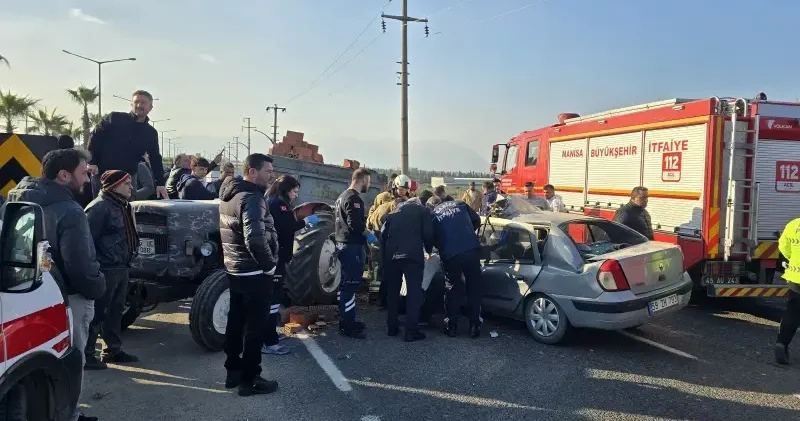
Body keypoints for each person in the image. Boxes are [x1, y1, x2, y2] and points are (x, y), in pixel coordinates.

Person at [7, 148, 106, 421]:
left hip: (26, 296)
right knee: (72, 360)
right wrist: (99, 287)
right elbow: (81, 266)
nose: (87, 179)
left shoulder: (16, 198)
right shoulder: (70, 211)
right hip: (70, 299)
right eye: (83, 173)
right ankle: (70, 415)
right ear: (64, 175)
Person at [218, 153, 279, 396]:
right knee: (255, 327)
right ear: (252, 171)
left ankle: (232, 372)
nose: (271, 176)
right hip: (254, 272)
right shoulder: (252, 198)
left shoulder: (229, 195)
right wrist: (269, 266)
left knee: (235, 321)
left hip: (235, 269)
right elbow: (254, 238)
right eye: (268, 171)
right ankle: (250, 379)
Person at [84, 170, 140, 369]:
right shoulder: (99, 208)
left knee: (115, 312)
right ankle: (87, 355)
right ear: (114, 186)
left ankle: (113, 350)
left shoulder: (123, 205)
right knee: (98, 313)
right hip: (106, 269)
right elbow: (87, 242)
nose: (131, 187)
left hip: (121, 267)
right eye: (127, 184)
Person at [262, 175, 319, 355]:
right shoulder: (279, 204)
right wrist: (306, 221)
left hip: (276, 256)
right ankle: (268, 341)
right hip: (276, 257)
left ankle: (270, 334)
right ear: (286, 190)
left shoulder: (273, 201)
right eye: (294, 191)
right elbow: (286, 227)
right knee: (272, 300)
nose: (296, 195)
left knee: (274, 299)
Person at [86, 90, 168, 200]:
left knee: (127, 207)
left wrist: (160, 183)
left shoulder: (150, 133)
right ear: (131, 104)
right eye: (136, 102)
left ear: (150, 107)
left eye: (143, 103)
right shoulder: (114, 118)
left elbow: (155, 157)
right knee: (101, 205)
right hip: (104, 174)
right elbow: (95, 137)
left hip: (128, 177)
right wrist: (92, 162)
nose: (139, 105)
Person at [380, 197, 434, 342]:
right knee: (414, 292)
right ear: (418, 204)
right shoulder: (423, 211)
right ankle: (411, 331)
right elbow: (428, 233)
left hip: (392, 255)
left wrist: (384, 259)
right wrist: (428, 250)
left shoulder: (392, 213)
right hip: (412, 256)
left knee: (393, 291)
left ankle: (392, 327)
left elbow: (383, 235)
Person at [430, 199, 483, 338]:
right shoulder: (460, 204)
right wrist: (467, 235)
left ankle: (451, 326)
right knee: (474, 288)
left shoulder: (434, 215)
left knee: (452, 288)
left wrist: (443, 246)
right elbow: (477, 220)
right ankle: (474, 326)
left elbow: (432, 238)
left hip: (451, 254)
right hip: (471, 250)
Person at [334, 168, 376, 339]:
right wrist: (368, 235)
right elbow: (355, 224)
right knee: (350, 286)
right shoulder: (353, 198)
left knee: (345, 285)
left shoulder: (341, 196)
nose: (369, 185)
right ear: (363, 180)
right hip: (351, 246)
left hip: (343, 244)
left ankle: (345, 319)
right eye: (369, 181)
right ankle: (347, 325)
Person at [775, 217, 800, 365]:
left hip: (796, 276)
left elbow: (783, 246)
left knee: (793, 311)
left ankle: (782, 343)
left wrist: (793, 259)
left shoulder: (794, 224)